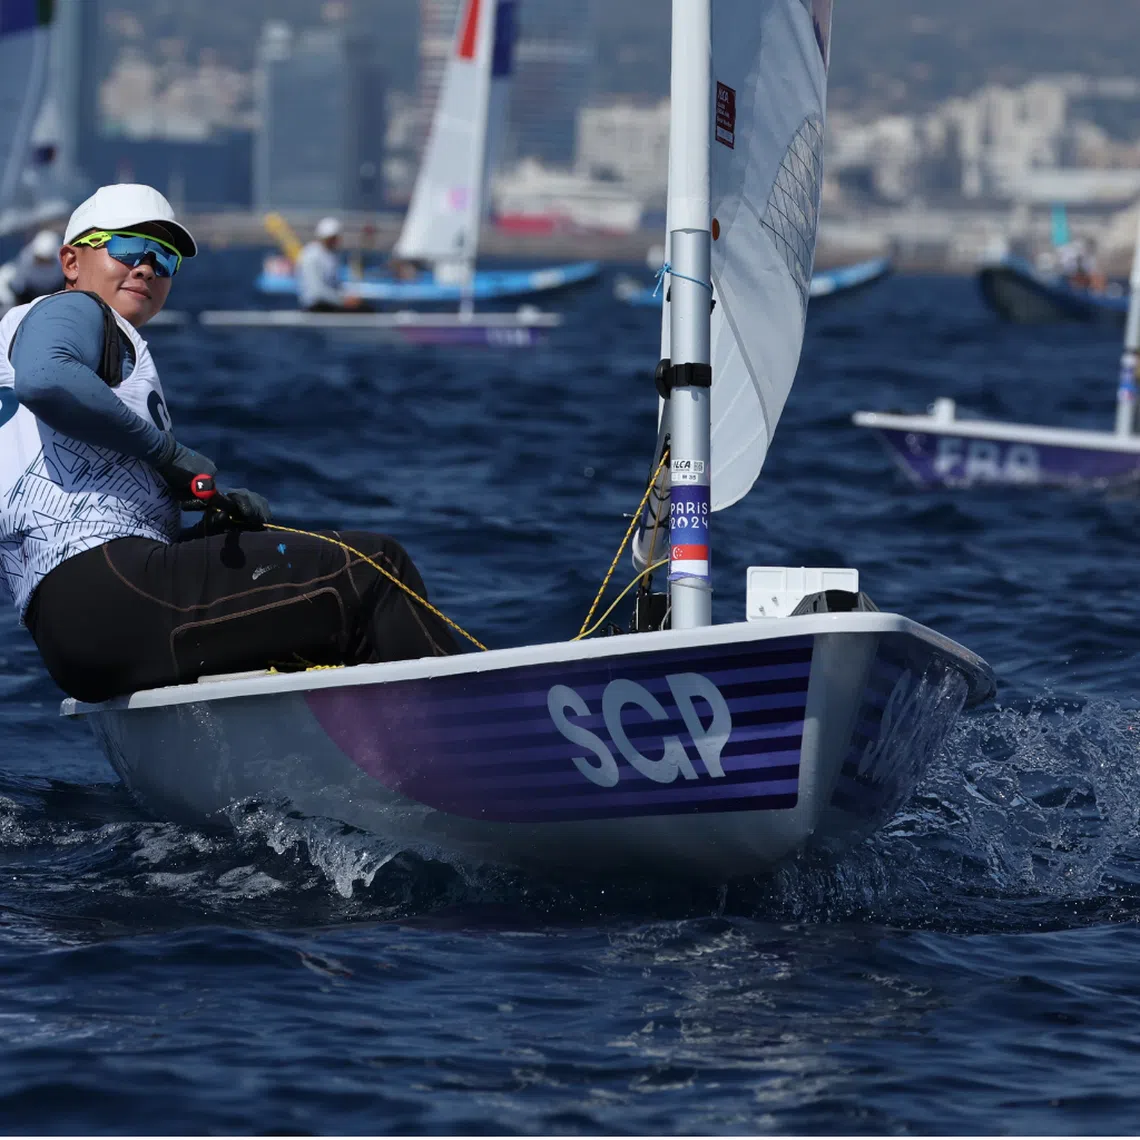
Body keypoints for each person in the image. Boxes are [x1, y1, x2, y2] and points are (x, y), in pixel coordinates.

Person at [0, 183, 456, 705]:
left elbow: (61, 481)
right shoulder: (74, 310)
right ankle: (475, 738)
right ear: (71, 260)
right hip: (110, 591)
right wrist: (167, 455)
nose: (147, 267)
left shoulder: (24, 340)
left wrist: (200, 505)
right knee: (374, 569)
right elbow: (45, 378)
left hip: (71, 633)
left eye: (163, 257)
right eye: (127, 248)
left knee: (325, 626)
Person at [294, 216, 366, 312]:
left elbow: (334, 285)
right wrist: (343, 300)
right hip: (316, 307)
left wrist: (347, 297)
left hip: (329, 304)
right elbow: (317, 292)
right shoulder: (311, 255)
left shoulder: (332, 255)